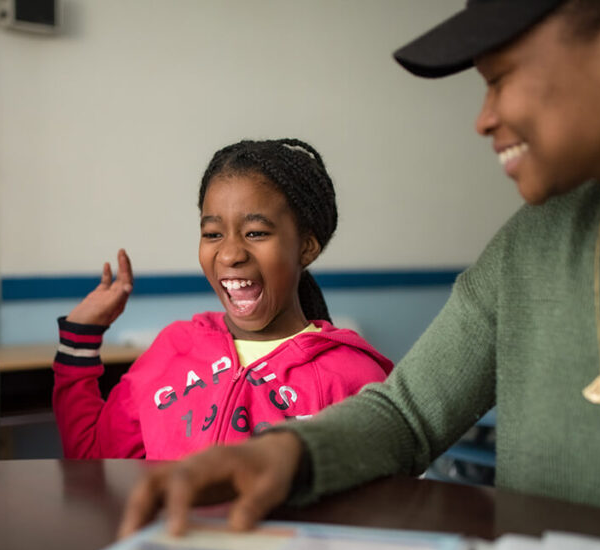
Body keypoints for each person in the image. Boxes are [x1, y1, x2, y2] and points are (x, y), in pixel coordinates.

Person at [120, 0, 600, 543]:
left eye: (501, 77)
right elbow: (407, 415)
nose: (482, 118)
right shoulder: (531, 248)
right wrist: (281, 451)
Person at [52, 138, 393, 460]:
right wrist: (81, 334)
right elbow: (93, 458)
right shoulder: (174, 350)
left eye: (256, 233)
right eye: (212, 234)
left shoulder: (353, 376)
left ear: (306, 246)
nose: (229, 253)